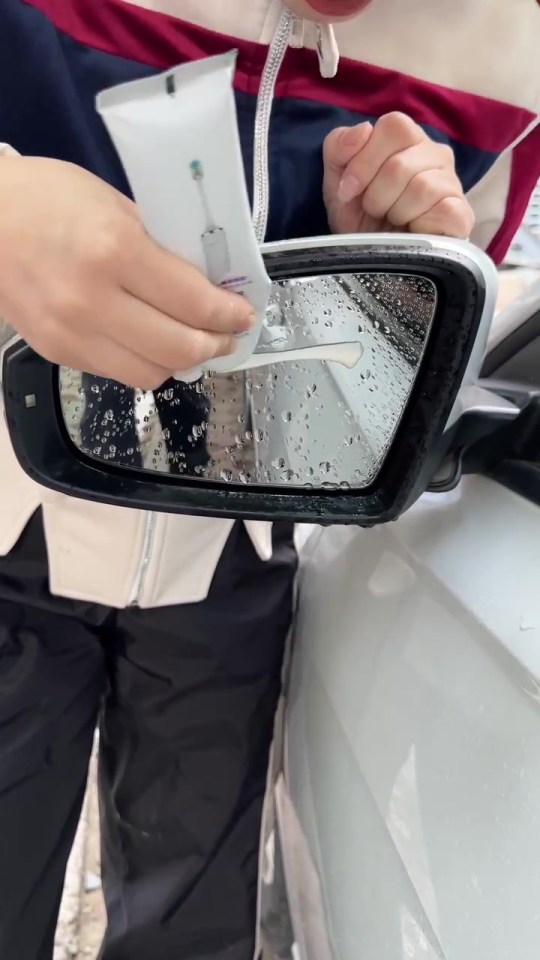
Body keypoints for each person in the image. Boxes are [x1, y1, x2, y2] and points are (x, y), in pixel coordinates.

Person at [0, 1, 538, 958]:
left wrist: (386, 269)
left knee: (192, 925)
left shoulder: (515, 51)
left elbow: (432, 364)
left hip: (247, 548)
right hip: (10, 505)